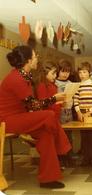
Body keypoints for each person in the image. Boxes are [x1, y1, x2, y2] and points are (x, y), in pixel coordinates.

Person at [0, 45, 71, 189]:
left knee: (46, 134)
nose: (37, 58)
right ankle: (63, 147)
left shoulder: (24, 76)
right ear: (28, 60)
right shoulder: (16, 78)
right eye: (35, 56)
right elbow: (33, 106)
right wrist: (53, 99)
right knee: (49, 115)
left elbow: (30, 105)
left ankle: (47, 179)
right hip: (7, 121)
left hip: (20, 117)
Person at [73, 62, 92, 167]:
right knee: (84, 137)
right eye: (80, 72)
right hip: (81, 113)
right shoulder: (77, 86)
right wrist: (78, 112)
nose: (82, 74)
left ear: (90, 73)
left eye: (84, 72)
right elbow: (75, 99)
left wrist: (89, 112)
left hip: (91, 113)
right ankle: (85, 159)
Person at [55, 59, 73, 124]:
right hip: (60, 111)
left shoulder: (70, 83)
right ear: (58, 71)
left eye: (68, 72)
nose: (65, 74)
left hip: (69, 111)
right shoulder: (55, 82)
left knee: (69, 132)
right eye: (63, 71)